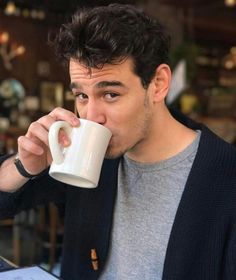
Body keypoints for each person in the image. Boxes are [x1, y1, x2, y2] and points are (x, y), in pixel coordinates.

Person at [0, 3, 236, 280]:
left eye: (110, 94)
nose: (91, 117)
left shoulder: (225, 179)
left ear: (158, 83)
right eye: (82, 96)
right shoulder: (86, 157)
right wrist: (24, 166)